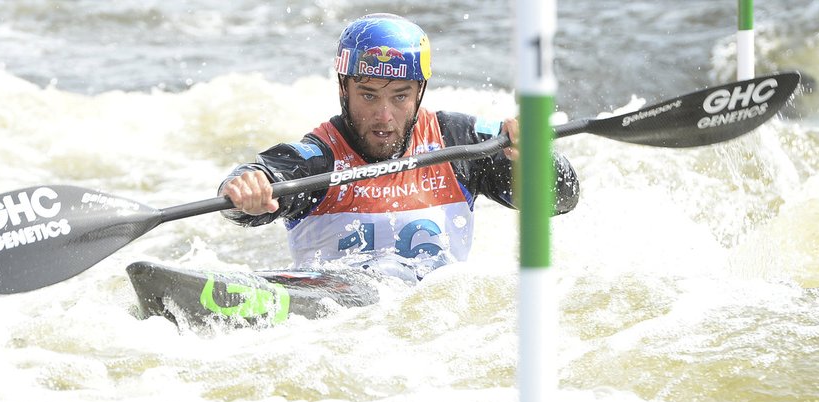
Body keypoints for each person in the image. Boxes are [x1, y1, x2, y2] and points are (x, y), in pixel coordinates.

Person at [219, 13, 580, 281]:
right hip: (336, 324)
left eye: (400, 96)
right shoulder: (318, 159)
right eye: (368, 95)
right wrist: (246, 188)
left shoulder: (459, 142)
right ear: (344, 88)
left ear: (420, 91)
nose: (384, 116)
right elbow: (254, 189)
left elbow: (562, 199)